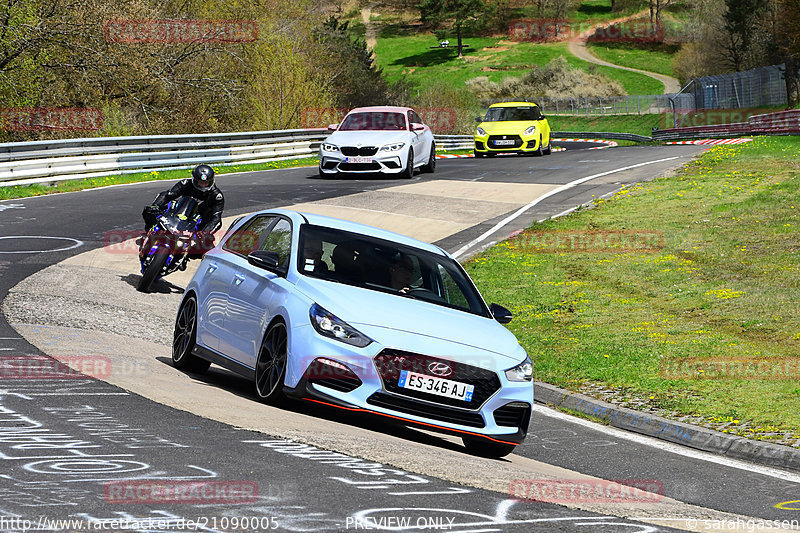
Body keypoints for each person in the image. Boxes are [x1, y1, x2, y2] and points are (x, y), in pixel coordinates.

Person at [141, 164, 224, 256]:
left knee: (208, 247)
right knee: (148, 211)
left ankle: (186, 255)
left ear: (211, 181)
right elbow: (168, 194)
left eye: (206, 183)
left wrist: (206, 231)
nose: (203, 186)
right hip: (179, 213)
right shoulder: (185, 184)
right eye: (200, 182)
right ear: (194, 180)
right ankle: (148, 232)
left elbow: (216, 218)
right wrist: (156, 206)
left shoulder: (216, 196)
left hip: (199, 222)